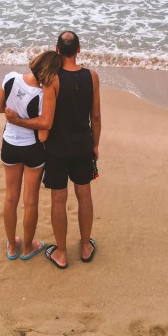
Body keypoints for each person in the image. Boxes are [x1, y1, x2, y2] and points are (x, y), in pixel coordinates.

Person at [7, 31, 101, 269]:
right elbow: (96, 116)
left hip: (58, 149)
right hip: (83, 146)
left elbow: (45, 120)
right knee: (84, 195)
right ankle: (86, 247)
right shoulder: (92, 77)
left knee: (59, 200)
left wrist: (18, 121)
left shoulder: (53, 79)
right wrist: (95, 144)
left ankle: (60, 252)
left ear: (57, 50)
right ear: (79, 50)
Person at [0, 50, 62, 261]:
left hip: (9, 144)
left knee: (10, 197)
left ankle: (12, 247)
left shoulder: (10, 79)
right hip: (32, 148)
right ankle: (28, 247)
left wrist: (14, 114)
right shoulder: (42, 96)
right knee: (30, 201)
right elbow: (42, 135)